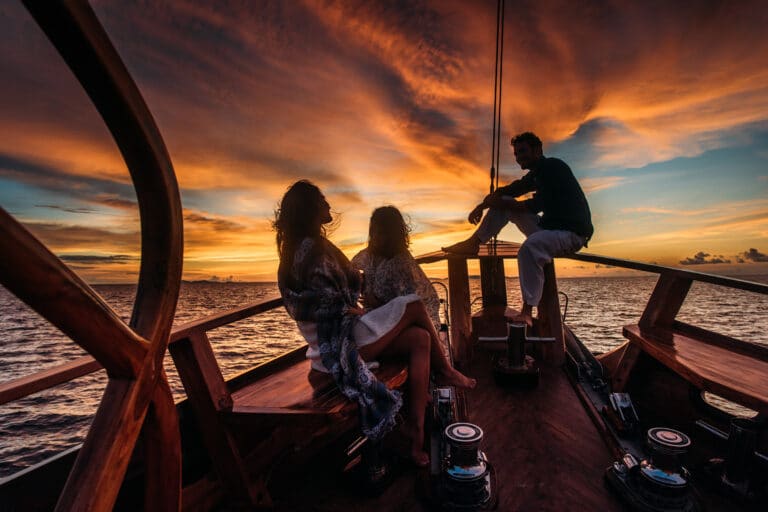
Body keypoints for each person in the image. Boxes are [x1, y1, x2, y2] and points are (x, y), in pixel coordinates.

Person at [275, 180, 475, 467]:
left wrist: (353, 306)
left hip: (335, 337)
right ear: (310, 208)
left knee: (421, 339)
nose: (328, 204)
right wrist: (352, 309)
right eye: (321, 199)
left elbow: (328, 298)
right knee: (414, 305)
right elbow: (329, 303)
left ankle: (414, 435)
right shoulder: (312, 250)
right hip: (338, 345)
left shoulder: (301, 248)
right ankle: (445, 370)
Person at [443, 132, 593, 325]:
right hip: (550, 229)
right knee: (504, 201)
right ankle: (473, 243)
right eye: (516, 154)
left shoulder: (553, 168)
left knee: (529, 248)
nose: (518, 157)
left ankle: (527, 312)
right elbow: (510, 191)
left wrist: (497, 204)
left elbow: (533, 206)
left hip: (571, 234)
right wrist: (482, 205)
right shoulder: (538, 173)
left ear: (538, 150)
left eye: (523, 151)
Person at [351, 206, 441, 331]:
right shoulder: (367, 255)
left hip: (406, 324)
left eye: (381, 232)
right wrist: (359, 281)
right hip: (375, 318)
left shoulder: (401, 263)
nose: (375, 236)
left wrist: (378, 304)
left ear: (392, 234)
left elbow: (411, 308)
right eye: (373, 231)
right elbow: (349, 272)